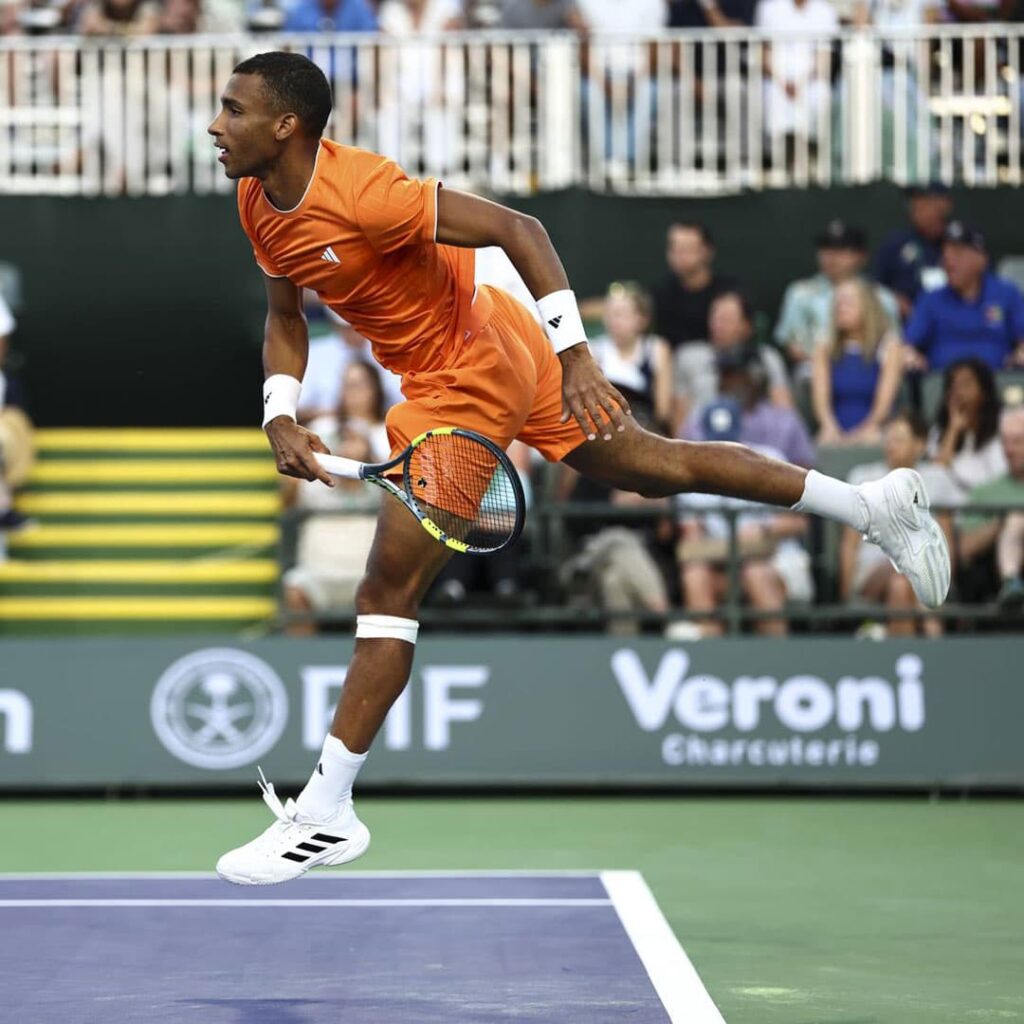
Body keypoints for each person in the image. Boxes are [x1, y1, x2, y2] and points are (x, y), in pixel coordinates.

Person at [209, 51, 949, 885]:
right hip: (483, 346)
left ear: (287, 125)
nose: (214, 124)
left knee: (387, 593)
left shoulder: (366, 193)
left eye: (233, 110)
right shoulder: (255, 201)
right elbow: (286, 315)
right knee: (652, 463)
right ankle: (871, 507)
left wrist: (581, 357)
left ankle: (325, 812)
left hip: (473, 366)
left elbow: (522, 231)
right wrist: (279, 408)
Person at [678, 399, 813, 637]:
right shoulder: (693, 471)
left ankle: (777, 661)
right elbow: (691, 545)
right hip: (725, 565)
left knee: (756, 572)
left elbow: (799, 522)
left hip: (777, 560)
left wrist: (764, 530)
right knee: (695, 575)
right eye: (715, 444)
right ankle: (711, 664)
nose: (722, 452)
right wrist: (740, 545)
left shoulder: (770, 460)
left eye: (729, 443)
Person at [842, 411, 959, 636]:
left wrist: (945, 581)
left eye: (899, 440)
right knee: (904, 570)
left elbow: (946, 540)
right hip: (872, 574)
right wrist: (847, 595)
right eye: (889, 439)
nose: (891, 445)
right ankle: (935, 639)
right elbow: (849, 543)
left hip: (923, 572)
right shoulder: (863, 477)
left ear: (920, 444)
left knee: (901, 583)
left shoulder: (937, 478)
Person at [775, 220, 899, 367]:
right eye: (825, 249)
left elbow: (893, 343)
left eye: (841, 250)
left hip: (871, 372)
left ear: (861, 256)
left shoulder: (881, 296)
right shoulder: (800, 293)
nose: (831, 257)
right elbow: (792, 346)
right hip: (814, 371)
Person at [904, 221, 1024, 373]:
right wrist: (912, 357)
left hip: (996, 386)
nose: (948, 261)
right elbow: (908, 345)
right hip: (941, 388)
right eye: (945, 253)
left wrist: (1019, 356)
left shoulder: (1007, 294)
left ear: (981, 259)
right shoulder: (931, 299)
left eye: (958, 253)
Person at [674, 289, 792, 429]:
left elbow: (785, 413)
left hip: (754, 438)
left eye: (726, 320)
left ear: (746, 326)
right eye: (715, 318)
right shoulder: (688, 356)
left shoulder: (766, 358)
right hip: (702, 440)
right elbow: (678, 419)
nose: (718, 325)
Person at [685, 344, 816, 469]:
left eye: (732, 375)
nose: (724, 382)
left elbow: (805, 474)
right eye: (722, 375)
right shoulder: (701, 417)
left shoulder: (784, 422)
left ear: (755, 377)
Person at [811, 278, 904, 445]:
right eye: (838, 303)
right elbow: (821, 401)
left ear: (867, 306)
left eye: (848, 302)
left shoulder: (889, 345)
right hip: (835, 428)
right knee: (824, 442)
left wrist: (866, 430)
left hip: (875, 428)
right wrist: (830, 427)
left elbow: (884, 406)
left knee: (874, 440)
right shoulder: (824, 346)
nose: (840, 308)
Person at [957, 407, 1024, 607]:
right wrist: (1001, 523)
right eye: (1005, 442)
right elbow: (965, 549)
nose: (1009, 450)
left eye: (1018, 441)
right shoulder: (984, 492)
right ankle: (1011, 584)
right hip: (991, 586)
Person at [588, 282, 672, 431]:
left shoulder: (656, 348)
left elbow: (663, 411)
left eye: (622, 314)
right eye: (611, 314)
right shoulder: (595, 351)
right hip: (606, 427)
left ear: (642, 319)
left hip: (645, 427)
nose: (615, 321)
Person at [651, 221, 739, 350]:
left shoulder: (729, 292)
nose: (679, 256)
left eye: (687, 249)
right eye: (674, 249)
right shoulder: (660, 293)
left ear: (707, 251)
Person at [928, 358, 1007, 501]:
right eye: (953, 386)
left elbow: (1003, 475)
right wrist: (953, 429)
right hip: (952, 506)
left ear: (984, 391)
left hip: (993, 502)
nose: (959, 393)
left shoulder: (1003, 424)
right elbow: (937, 475)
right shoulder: (940, 430)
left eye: (966, 384)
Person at [874, 184, 952, 321]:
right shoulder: (896, 244)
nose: (918, 205)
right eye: (914, 200)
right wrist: (893, 299)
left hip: (951, 323)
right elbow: (876, 287)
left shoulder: (960, 242)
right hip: (906, 325)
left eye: (926, 200)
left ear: (945, 204)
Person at [282, 0, 377, 31]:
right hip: (307, 72)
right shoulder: (301, 8)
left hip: (354, 71)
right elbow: (287, 41)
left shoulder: (357, 6)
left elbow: (374, 34)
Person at [498, 0, 586, 29]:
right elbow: (500, 43)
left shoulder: (566, 4)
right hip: (519, 64)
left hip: (557, 63)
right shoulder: (513, 7)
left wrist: (578, 25)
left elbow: (583, 30)